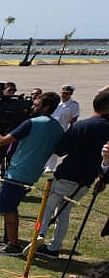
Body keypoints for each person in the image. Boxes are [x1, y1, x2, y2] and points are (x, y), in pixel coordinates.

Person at [0, 92, 65, 255]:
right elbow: (59, 150)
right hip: (32, 174)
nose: (32, 107)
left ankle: (13, 244)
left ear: (46, 107)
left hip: (17, 172)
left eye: (36, 105)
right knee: (11, 206)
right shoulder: (58, 128)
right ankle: (9, 239)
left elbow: (1, 141)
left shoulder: (32, 123)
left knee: (8, 208)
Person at [33, 89, 109, 258]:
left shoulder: (82, 126)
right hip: (87, 179)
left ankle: (39, 235)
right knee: (65, 212)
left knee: (47, 208)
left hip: (67, 175)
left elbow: (60, 150)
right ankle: (54, 247)